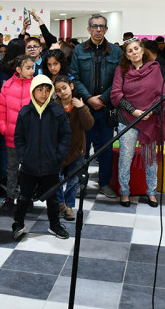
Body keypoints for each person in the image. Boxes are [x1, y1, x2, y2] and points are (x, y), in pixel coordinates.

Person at [68, 14, 123, 199]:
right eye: (95, 26)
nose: (98, 29)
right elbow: (74, 76)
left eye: (101, 26)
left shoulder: (116, 52)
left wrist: (103, 98)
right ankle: (77, 183)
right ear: (89, 29)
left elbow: (119, 79)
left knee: (106, 148)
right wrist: (89, 98)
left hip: (106, 109)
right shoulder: (79, 50)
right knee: (82, 148)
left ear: (106, 29)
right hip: (85, 108)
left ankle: (104, 183)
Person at [12, 75, 72, 240]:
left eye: (47, 90)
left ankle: (55, 225)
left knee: (52, 198)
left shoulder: (57, 112)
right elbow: (19, 138)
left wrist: (57, 156)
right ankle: (18, 223)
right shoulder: (25, 113)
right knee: (24, 197)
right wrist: (24, 156)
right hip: (28, 166)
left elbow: (65, 136)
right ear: (33, 91)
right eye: (40, 89)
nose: (44, 94)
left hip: (50, 165)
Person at [110, 38, 165, 207]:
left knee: (150, 160)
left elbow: (162, 95)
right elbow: (116, 95)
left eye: (136, 49)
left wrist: (150, 111)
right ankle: (124, 192)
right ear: (126, 56)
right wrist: (134, 111)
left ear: (142, 51)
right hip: (127, 120)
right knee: (125, 158)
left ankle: (151, 192)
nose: (134, 52)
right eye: (130, 51)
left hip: (150, 121)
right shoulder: (121, 71)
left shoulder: (154, 69)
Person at [53, 75, 94, 221]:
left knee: (73, 181)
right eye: (58, 90)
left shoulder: (79, 105)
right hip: (58, 151)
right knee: (56, 180)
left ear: (71, 86)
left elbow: (89, 125)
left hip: (77, 150)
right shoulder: (54, 106)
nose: (62, 92)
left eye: (64, 88)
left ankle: (69, 207)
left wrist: (82, 108)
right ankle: (60, 204)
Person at [0, 55, 34, 210]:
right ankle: (10, 197)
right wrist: (4, 128)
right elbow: (1, 109)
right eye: (28, 68)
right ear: (18, 69)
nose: (32, 70)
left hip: (31, 138)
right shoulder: (7, 86)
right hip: (11, 137)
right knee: (12, 168)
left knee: (29, 170)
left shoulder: (36, 85)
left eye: (33, 67)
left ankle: (27, 197)